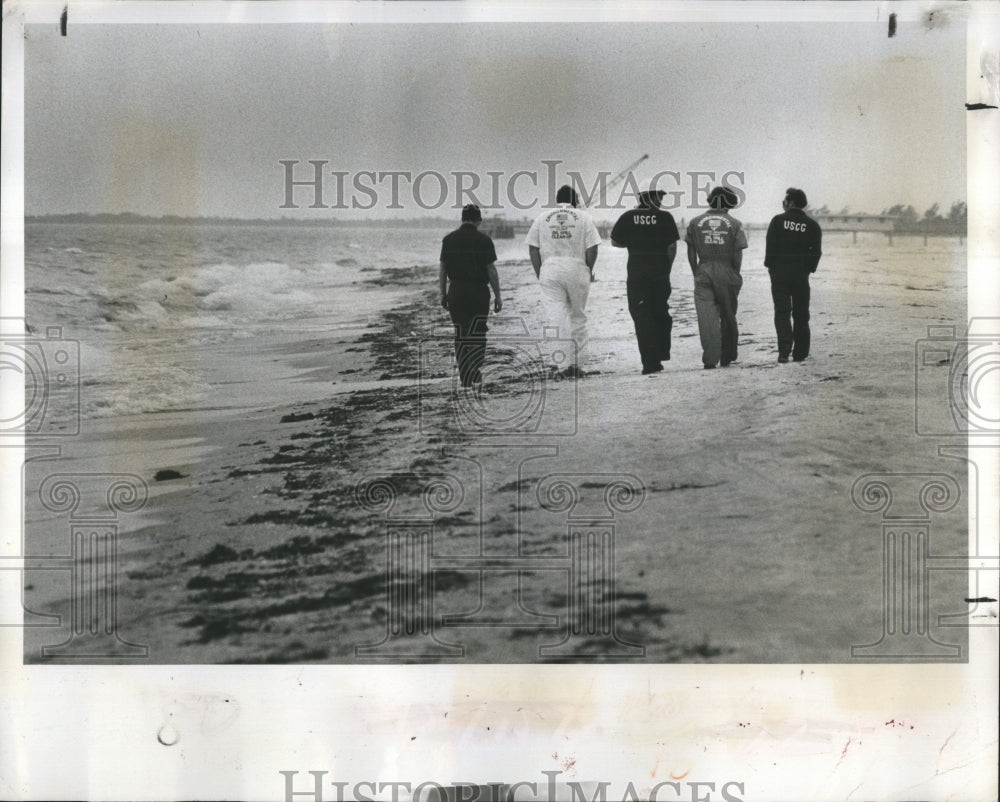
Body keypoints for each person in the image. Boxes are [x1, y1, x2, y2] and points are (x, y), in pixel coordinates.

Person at [526, 184, 602, 378]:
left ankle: (562, 366)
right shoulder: (584, 217)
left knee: (556, 318)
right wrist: (588, 269)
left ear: (557, 200)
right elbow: (593, 247)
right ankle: (578, 365)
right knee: (578, 316)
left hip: (550, 269)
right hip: (577, 267)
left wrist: (540, 272)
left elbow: (533, 247)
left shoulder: (542, 218)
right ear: (574, 200)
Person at [611, 180, 680, 375]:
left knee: (642, 316)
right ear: (650, 196)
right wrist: (667, 268)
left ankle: (649, 362)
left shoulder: (628, 216)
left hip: (637, 275)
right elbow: (672, 246)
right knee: (660, 313)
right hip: (660, 275)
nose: (662, 199)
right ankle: (658, 355)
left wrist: (634, 241)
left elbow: (616, 242)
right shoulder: (665, 217)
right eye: (660, 195)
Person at [439, 204, 502, 387]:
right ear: (478, 220)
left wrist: (442, 293)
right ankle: (474, 366)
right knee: (478, 331)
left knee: (460, 332)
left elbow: (443, 269)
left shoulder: (448, 240)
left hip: (456, 291)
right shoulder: (484, 240)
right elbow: (491, 269)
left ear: (462, 218)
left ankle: (465, 374)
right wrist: (498, 295)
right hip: (478, 292)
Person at [685, 186, 749, 369]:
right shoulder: (735, 224)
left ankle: (711, 359)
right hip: (727, 270)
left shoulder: (695, 222)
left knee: (706, 317)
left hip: (703, 269)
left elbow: (690, 249)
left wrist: (695, 270)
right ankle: (727, 355)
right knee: (728, 314)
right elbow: (738, 252)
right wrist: (735, 272)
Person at [764, 187, 822, 363]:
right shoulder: (813, 225)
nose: (783, 204)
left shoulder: (777, 221)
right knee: (801, 314)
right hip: (800, 276)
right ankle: (800, 353)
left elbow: (770, 246)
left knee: (782, 312)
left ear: (791, 203)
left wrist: (770, 266)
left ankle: (784, 352)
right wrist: (808, 269)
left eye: (785, 201)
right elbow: (816, 252)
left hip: (779, 274)